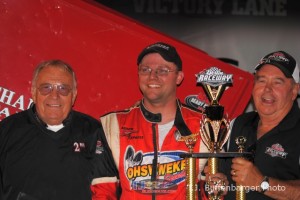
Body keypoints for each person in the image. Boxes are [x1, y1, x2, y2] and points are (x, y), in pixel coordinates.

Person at [98, 42, 209, 199]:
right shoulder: (112, 125)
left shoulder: (205, 126)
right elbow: (102, 191)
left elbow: (211, 190)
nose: (152, 76)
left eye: (162, 70)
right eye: (145, 70)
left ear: (179, 77)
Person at [0, 60, 118, 200]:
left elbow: (106, 191)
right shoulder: (6, 131)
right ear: (33, 92)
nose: (54, 95)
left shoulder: (93, 132)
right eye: (46, 88)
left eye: (63, 88)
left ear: (73, 95)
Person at [206, 51, 300, 199]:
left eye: (277, 82)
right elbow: (221, 175)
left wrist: (261, 183)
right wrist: (220, 183)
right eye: (261, 80)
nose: (267, 89)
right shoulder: (237, 123)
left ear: (294, 91)